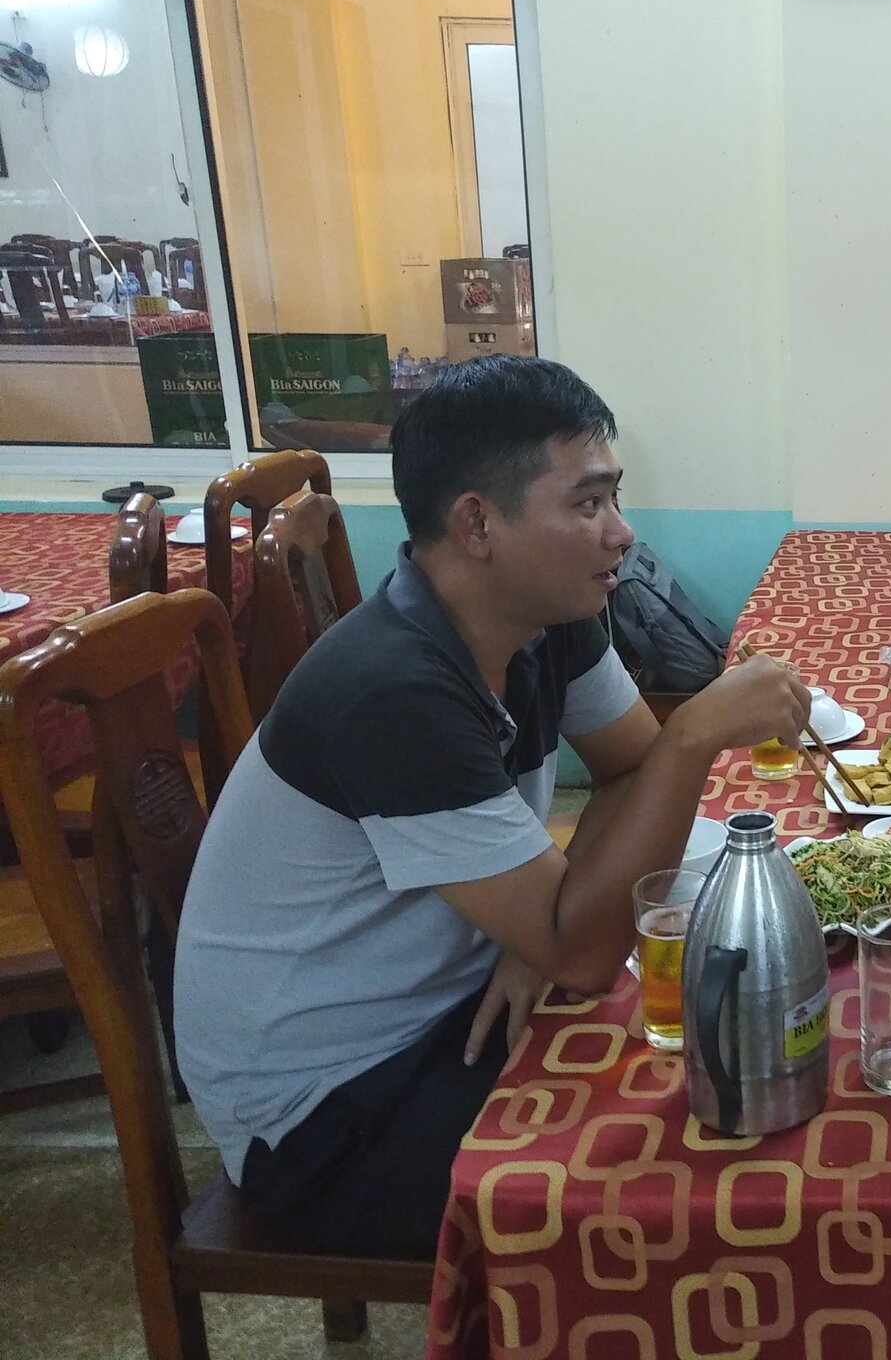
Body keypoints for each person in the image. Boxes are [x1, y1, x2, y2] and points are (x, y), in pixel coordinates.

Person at [173, 355, 809, 1256]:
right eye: (588, 503)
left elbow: (627, 772)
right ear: (477, 523)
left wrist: (535, 933)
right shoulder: (395, 692)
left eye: (614, 497)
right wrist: (694, 733)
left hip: (443, 1006)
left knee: (732, 1044)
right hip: (326, 1113)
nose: (621, 533)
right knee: (681, 1168)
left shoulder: (548, 618)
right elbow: (588, 951)